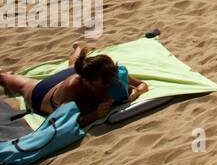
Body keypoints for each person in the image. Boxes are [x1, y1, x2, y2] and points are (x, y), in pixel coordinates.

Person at [1, 42, 148, 128]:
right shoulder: (72, 88)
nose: (110, 84)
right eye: (105, 83)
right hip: (43, 95)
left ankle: (79, 47)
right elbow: (61, 122)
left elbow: (141, 85)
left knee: (73, 66)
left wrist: (136, 93)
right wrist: (94, 115)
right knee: (19, 84)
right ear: (88, 82)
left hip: (75, 74)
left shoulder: (108, 74)